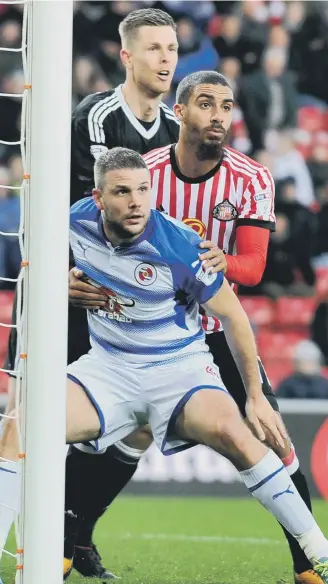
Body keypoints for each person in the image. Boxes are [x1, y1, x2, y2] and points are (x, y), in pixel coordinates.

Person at [2, 147, 328, 583]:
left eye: (143, 190)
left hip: (179, 370)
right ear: (99, 199)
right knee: (18, 428)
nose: (136, 201)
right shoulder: (72, 220)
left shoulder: (178, 245)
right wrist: (61, 281)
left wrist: (254, 396)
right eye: (122, 192)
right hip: (109, 367)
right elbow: (37, 270)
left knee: (238, 434)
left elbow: (233, 316)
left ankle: (318, 553)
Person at [70, 71, 321, 584]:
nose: (219, 116)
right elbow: (97, 232)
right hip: (142, 329)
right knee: (122, 435)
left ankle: (308, 567)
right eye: (206, 104)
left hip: (216, 326)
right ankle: (73, 542)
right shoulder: (147, 173)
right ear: (179, 112)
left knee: (269, 432)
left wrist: (209, 261)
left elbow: (252, 269)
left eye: (227, 107)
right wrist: (67, 280)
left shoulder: (251, 178)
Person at [1, 7, 182, 580]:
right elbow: (77, 209)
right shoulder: (97, 117)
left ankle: (76, 532)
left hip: (125, 305)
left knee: (139, 424)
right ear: (127, 56)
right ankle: (22, 538)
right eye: (153, 49)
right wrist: (58, 276)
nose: (166, 59)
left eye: (172, 48)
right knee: (27, 421)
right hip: (69, 290)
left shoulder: (176, 132)